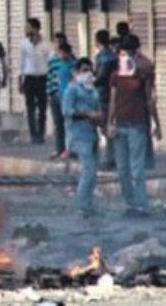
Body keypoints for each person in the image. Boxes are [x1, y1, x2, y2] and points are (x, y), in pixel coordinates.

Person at [107, 35, 162, 218]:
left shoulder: (143, 73)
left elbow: (149, 100)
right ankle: (131, 204)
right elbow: (113, 102)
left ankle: (141, 205)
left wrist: (157, 123)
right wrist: (110, 122)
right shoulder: (115, 76)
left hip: (137, 125)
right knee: (122, 170)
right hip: (121, 125)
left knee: (137, 169)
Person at [62, 58, 102, 217]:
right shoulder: (72, 90)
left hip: (92, 135)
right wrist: (86, 114)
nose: (88, 74)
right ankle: (82, 206)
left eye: (90, 70)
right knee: (89, 170)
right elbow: (67, 111)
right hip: (78, 135)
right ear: (77, 72)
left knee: (92, 173)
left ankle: (89, 205)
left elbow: (98, 111)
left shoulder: (93, 91)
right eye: (84, 70)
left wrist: (100, 119)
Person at [19, 18, 53, 144]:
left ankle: (41, 133)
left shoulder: (46, 44)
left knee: (42, 108)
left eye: (28, 27)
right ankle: (33, 134)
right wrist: (20, 79)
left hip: (43, 78)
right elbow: (21, 63)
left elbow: (50, 62)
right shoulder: (24, 44)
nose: (26, 30)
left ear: (36, 28)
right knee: (30, 108)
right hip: (29, 77)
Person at [93, 30, 119, 169]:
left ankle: (110, 158)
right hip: (114, 93)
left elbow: (101, 77)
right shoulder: (114, 56)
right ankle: (112, 157)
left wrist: (92, 82)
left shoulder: (103, 57)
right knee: (111, 124)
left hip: (103, 94)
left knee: (105, 125)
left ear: (97, 41)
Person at [47, 38, 76, 159]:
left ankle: (70, 149)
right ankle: (59, 149)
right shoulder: (53, 62)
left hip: (69, 98)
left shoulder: (74, 64)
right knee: (58, 124)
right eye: (61, 53)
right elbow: (50, 78)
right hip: (56, 96)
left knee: (69, 124)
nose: (63, 55)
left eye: (65, 53)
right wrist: (49, 93)